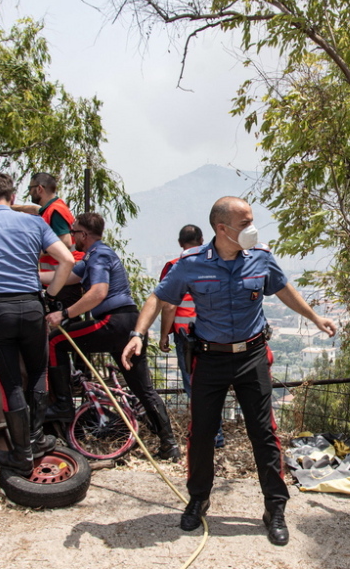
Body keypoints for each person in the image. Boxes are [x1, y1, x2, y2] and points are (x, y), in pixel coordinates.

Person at [122, 196, 337, 547]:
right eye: (245, 223)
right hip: (209, 358)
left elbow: (283, 289)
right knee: (202, 433)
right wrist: (137, 334)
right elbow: (158, 298)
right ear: (222, 229)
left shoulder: (261, 258)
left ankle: (275, 507)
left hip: (252, 356)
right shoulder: (191, 264)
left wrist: (314, 317)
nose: (252, 229)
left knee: (264, 433)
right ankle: (198, 498)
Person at [0, 171, 75, 476]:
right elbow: (68, 259)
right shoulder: (34, 222)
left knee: (10, 385)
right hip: (33, 307)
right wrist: (49, 295)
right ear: (13, 197)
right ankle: (36, 439)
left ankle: (21, 454)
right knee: (37, 373)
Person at [43, 212, 181, 461]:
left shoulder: (99, 255)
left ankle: (63, 404)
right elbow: (64, 277)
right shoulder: (93, 256)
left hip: (114, 321)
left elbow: (98, 293)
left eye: (74, 232)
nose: (71, 236)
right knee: (143, 389)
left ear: (83, 235)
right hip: (129, 324)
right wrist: (28, 277)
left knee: (56, 342)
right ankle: (169, 444)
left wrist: (64, 314)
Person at [159, 224, 226, 448]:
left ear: (180, 243)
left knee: (194, 384)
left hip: (186, 334)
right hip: (213, 331)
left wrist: (163, 335)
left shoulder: (174, 267)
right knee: (213, 382)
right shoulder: (216, 264)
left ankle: (209, 435)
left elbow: (168, 305)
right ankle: (216, 433)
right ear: (202, 240)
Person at [12, 172, 85, 307]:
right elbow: (34, 209)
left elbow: (66, 241)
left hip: (65, 277)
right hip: (59, 276)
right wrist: (11, 207)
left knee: (65, 321)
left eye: (30, 189)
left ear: (39, 188)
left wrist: (37, 252)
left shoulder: (55, 211)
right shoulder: (51, 208)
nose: (29, 193)